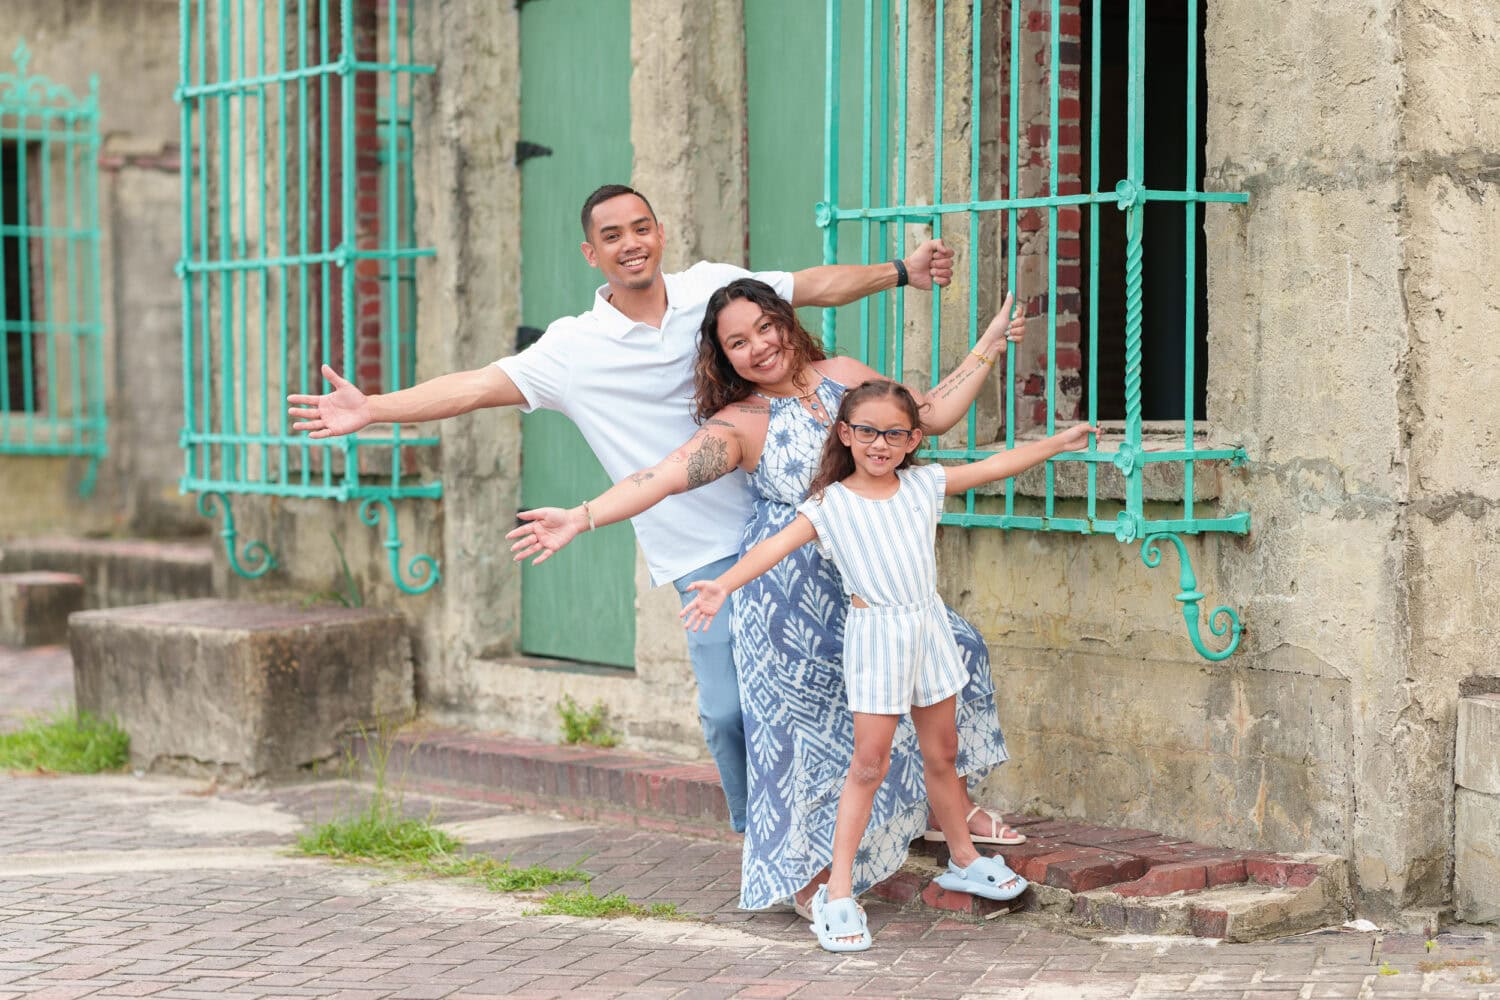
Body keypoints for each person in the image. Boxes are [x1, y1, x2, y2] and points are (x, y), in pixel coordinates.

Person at [286, 183, 955, 835]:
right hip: (700, 549)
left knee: (854, 680)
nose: (631, 244)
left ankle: (880, 821)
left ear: (660, 233)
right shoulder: (572, 349)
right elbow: (474, 386)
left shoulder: (711, 290)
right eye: (612, 236)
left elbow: (810, 286)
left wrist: (901, 272)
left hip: (796, 526)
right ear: (591, 254)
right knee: (728, 712)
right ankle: (760, 831)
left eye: (641, 228)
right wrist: (374, 409)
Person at [507, 278, 1030, 916]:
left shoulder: (843, 376)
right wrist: (583, 515)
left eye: (764, 327)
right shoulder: (738, 423)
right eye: (737, 342)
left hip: (870, 575)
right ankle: (805, 874)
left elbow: (931, 414)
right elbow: (665, 476)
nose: (758, 347)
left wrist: (988, 346)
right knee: (803, 735)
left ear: (785, 320)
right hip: (787, 593)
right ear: (723, 358)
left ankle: (946, 807)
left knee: (953, 656)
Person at [679, 379, 1094, 951]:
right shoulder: (829, 504)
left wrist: (1059, 442)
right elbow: (772, 549)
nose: (880, 443)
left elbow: (997, 466)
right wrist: (721, 587)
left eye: (894, 433)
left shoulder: (924, 483)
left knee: (942, 755)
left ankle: (964, 858)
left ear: (912, 439)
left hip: (928, 630)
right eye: (867, 431)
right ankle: (840, 891)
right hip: (877, 638)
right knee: (868, 765)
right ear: (845, 434)